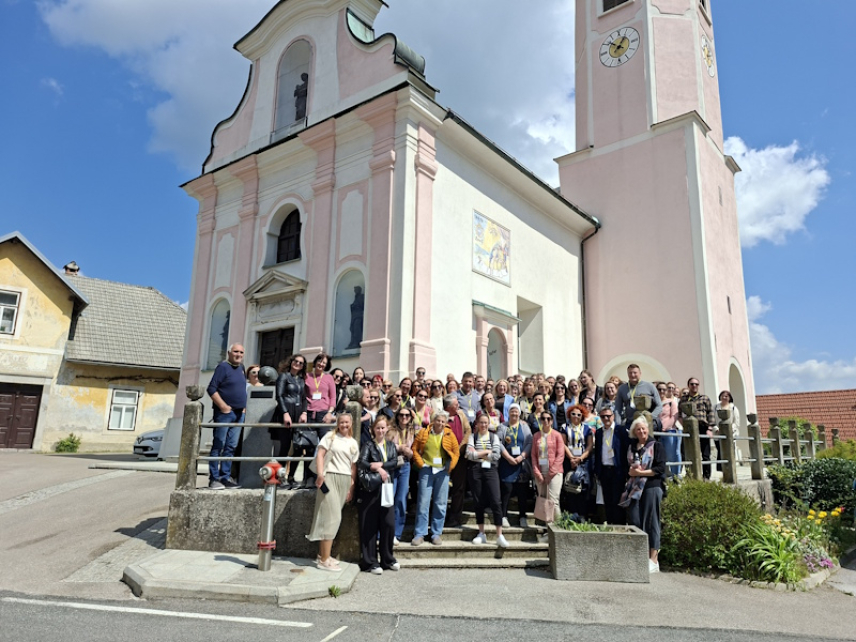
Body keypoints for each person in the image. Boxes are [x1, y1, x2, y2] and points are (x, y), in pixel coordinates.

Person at [308, 413, 359, 571]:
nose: (344, 425)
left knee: (334, 517)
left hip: (344, 479)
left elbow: (353, 466)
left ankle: (324, 554)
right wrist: (320, 474)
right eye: (341, 422)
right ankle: (324, 560)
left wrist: (351, 485)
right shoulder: (330, 437)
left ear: (351, 424)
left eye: (347, 422)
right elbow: (320, 455)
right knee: (332, 518)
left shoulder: (352, 442)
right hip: (329, 477)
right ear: (338, 423)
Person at [620, 416, 666, 573]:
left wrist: (641, 472)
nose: (641, 431)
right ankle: (642, 555)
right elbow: (628, 467)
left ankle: (654, 559)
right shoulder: (631, 447)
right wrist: (632, 473)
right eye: (638, 429)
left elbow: (660, 469)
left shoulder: (656, 445)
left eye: (643, 428)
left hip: (652, 486)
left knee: (651, 520)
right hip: (634, 487)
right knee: (635, 520)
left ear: (648, 429)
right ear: (634, 431)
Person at [357, 415, 400, 574]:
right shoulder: (368, 445)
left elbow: (394, 462)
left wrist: (380, 465)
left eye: (383, 427)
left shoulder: (390, 446)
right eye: (378, 428)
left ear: (387, 428)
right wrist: (377, 469)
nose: (381, 430)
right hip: (372, 489)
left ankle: (388, 559)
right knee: (370, 525)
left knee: (388, 524)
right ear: (373, 429)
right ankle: (370, 562)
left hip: (387, 488)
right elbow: (362, 462)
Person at [411, 410, 460, 546]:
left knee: (441, 503)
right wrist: (420, 464)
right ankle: (420, 533)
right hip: (426, 470)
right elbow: (414, 449)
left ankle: (436, 533)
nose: (440, 423)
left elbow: (456, 452)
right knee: (423, 502)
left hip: (442, 472)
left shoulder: (450, 434)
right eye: (438, 420)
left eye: (443, 421)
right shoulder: (423, 432)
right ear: (433, 420)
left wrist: (450, 467)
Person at [206, 343, 247, 490]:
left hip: (238, 414)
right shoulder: (223, 367)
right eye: (236, 351)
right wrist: (223, 406)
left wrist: (243, 408)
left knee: (231, 446)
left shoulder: (241, 368)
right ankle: (214, 478)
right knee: (219, 445)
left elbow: (242, 388)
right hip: (225, 414)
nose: (239, 355)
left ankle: (225, 477)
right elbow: (211, 388)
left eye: (241, 352)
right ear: (229, 353)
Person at [467, 414, 508, 547]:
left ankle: (499, 535)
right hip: (475, 470)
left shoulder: (494, 436)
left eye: (486, 423)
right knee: (478, 501)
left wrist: (478, 453)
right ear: (477, 424)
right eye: (481, 423)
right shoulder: (472, 437)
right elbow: (469, 454)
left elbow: (496, 455)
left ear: (489, 424)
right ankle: (481, 533)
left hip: (491, 470)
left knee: (496, 501)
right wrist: (487, 452)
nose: (483, 425)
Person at [272, 355, 307, 488]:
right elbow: (279, 396)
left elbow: (304, 398)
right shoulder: (284, 376)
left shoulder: (301, 380)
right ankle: (279, 477)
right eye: (296, 361)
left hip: (298, 414)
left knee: (298, 447)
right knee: (284, 447)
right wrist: (285, 413)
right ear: (291, 362)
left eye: (301, 363)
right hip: (285, 413)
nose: (298, 364)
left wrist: (304, 412)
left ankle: (291, 476)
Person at [497, 403, 532, 528]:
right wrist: (509, 457)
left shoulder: (524, 426)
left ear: (519, 413)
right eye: (512, 411)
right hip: (507, 462)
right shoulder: (502, 427)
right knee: (506, 490)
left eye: (516, 411)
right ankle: (504, 516)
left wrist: (522, 456)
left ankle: (522, 516)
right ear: (508, 412)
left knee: (522, 491)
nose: (514, 413)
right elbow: (499, 443)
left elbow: (529, 442)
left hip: (521, 463)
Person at [531, 411, 565, 535]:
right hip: (540, 473)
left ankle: (558, 528)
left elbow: (560, 455)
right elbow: (533, 456)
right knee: (544, 501)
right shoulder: (536, 436)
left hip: (555, 473)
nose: (546, 421)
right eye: (543, 418)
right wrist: (537, 473)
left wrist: (550, 474)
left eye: (548, 419)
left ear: (552, 421)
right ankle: (547, 529)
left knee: (554, 500)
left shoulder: (557, 435)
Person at [593, 406, 628, 524]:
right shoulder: (598, 433)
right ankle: (610, 524)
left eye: (608, 416)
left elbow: (625, 450)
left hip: (617, 470)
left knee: (617, 499)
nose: (606, 418)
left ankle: (619, 526)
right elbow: (597, 452)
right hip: (604, 470)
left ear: (613, 416)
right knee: (607, 500)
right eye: (603, 416)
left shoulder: (621, 431)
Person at [442, 394, 472, 528]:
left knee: (459, 489)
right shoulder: (440, 417)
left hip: (460, 457)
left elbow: (468, 430)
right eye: (455, 404)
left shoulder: (461, 415)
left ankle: (455, 517)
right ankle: (441, 517)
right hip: (444, 457)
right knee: (442, 489)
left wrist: (460, 448)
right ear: (448, 407)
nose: (458, 406)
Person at [387, 408, 416, 544]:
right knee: (389, 498)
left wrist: (411, 453)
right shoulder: (390, 429)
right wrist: (400, 448)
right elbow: (385, 446)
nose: (404, 417)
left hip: (405, 465)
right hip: (391, 465)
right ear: (397, 416)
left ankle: (396, 533)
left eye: (407, 415)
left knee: (401, 499)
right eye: (402, 415)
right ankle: (386, 532)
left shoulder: (412, 431)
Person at [561, 404, 593, 519]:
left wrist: (580, 458)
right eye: (573, 414)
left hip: (583, 461)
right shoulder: (565, 427)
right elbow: (563, 444)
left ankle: (582, 513)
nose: (576, 416)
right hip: (569, 460)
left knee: (583, 487)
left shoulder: (586, 428)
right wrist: (572, 458)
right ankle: (572, 513)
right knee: (570, 485)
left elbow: (590, 446)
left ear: (582, 416)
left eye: (579, 415)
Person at [680, 377, 716, 479]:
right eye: (692, 384)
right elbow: (679, 413)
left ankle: (706, 477)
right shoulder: (683, 399)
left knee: (705, 454)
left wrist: (710, 428)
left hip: (703, 427)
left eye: (696, 384)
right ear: (688, 385)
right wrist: (681, 422)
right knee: (688, 453)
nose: (694, 386)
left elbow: (710, 413)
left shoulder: (704, 398)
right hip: (689, 428)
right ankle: (690, 475)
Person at [616, 364, 662, 429]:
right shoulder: (622, 388)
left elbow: (659, 405)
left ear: (640, 373)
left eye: (635, 373)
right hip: (630, 423)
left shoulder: (649, 386)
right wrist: (618, 425)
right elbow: (618, 408)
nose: (632, 375)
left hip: (647, 424)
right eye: (630, 373)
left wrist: (650, 417)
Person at [657, 382, 681, 477]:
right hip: (657, 432)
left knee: (671, 455)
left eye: (664, 389)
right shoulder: (654, 403)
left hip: (669, 432)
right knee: (660, 455)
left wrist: (664, 428)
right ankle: (663, 475)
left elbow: (674, 417)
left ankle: (675, 475)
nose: (662, 391)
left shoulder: (671, 402)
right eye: (659, 389)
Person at [714, 390, 740, 471]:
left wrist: (729, 429)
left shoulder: (733, 408)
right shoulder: (715, 407)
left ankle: (729, 470)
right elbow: (712, 420)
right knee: (720, 451)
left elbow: (736, 422)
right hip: (718, 434)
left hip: (730, 434)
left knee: (729, 452)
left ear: (729, 398)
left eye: (726, 396)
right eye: (722, 396)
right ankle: (721, 471)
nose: (724, 397)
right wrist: (716, 429)